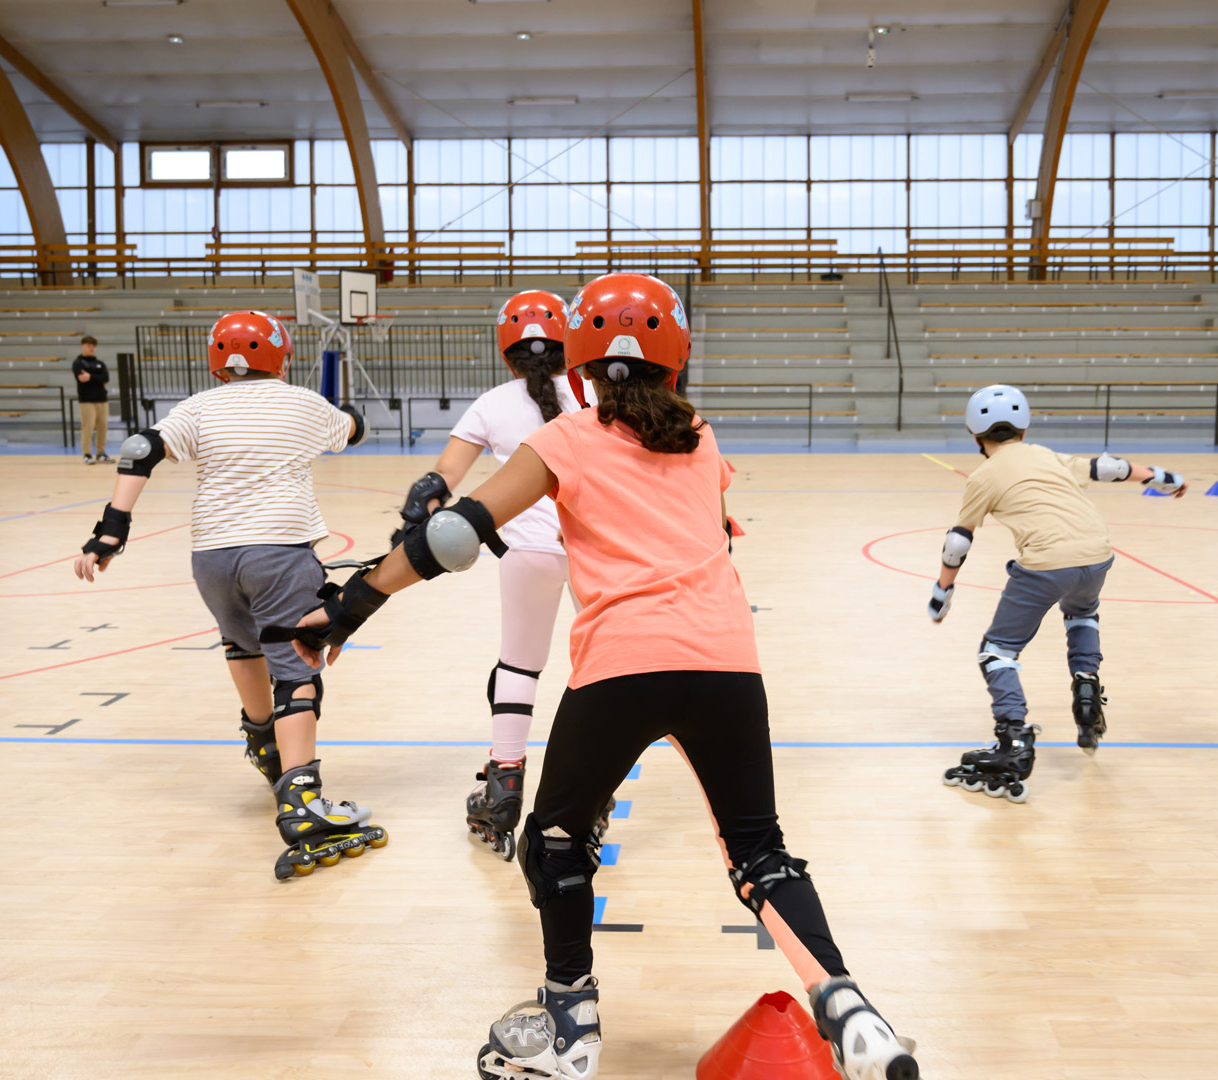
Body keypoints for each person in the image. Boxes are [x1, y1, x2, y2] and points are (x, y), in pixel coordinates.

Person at [271, 274, 918, 1080]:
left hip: (621, 664)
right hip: (727, 662)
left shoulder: (567, 438)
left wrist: (350, 604)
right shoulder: (703, 438)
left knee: (555, 841)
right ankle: (851, 1009)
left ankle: (570, 1024)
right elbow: (717, 536)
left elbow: (456, 535)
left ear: (579, 356)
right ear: (677, 357)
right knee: (760, 853)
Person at [71, 310, 381, 881]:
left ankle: (267, 753)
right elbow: (352, 430)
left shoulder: (198, 407)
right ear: (279, 356)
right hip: (279, 550)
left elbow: (142, 447)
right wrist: (351, 416)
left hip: (211, 556)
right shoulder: (302, 402)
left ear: (219, 362)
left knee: (242, 645)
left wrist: (111, 529)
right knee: (298, 667)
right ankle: (304, 804)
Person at [399, 289, 588, 861]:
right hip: (594, 550)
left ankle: (504, 785)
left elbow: (436, 486)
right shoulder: (596, 392)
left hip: (525, 553)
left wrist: (411, 531)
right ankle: (591, 789)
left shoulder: (491, 403)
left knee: (519, 665)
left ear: (507, 354)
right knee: (604, 666)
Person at [930, 384, 1187, 802]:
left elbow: (958, 541)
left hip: (1047, 565)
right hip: (1097, 555)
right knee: (1082, 613)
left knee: (998, 651)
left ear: (975, 436)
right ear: (1024, 429)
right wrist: (1163, 478)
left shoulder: (982, 476)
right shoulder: (1047, 455)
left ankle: (1013, 741)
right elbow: (1109, 467)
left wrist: (942, 592)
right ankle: (1086, 686)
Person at [72, 335, 111, 464]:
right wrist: (97, 378)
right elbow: (82, 378)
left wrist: (91, 377)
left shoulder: (100, 363)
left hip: (102, 399)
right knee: (88, 427)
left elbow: (105, 379)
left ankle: (101, 453)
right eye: (89, 345)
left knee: (102, 426)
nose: (92, 348)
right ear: (83, 346)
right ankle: (87, 454)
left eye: (93, 346)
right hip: (87, 400)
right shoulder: (78, 363)